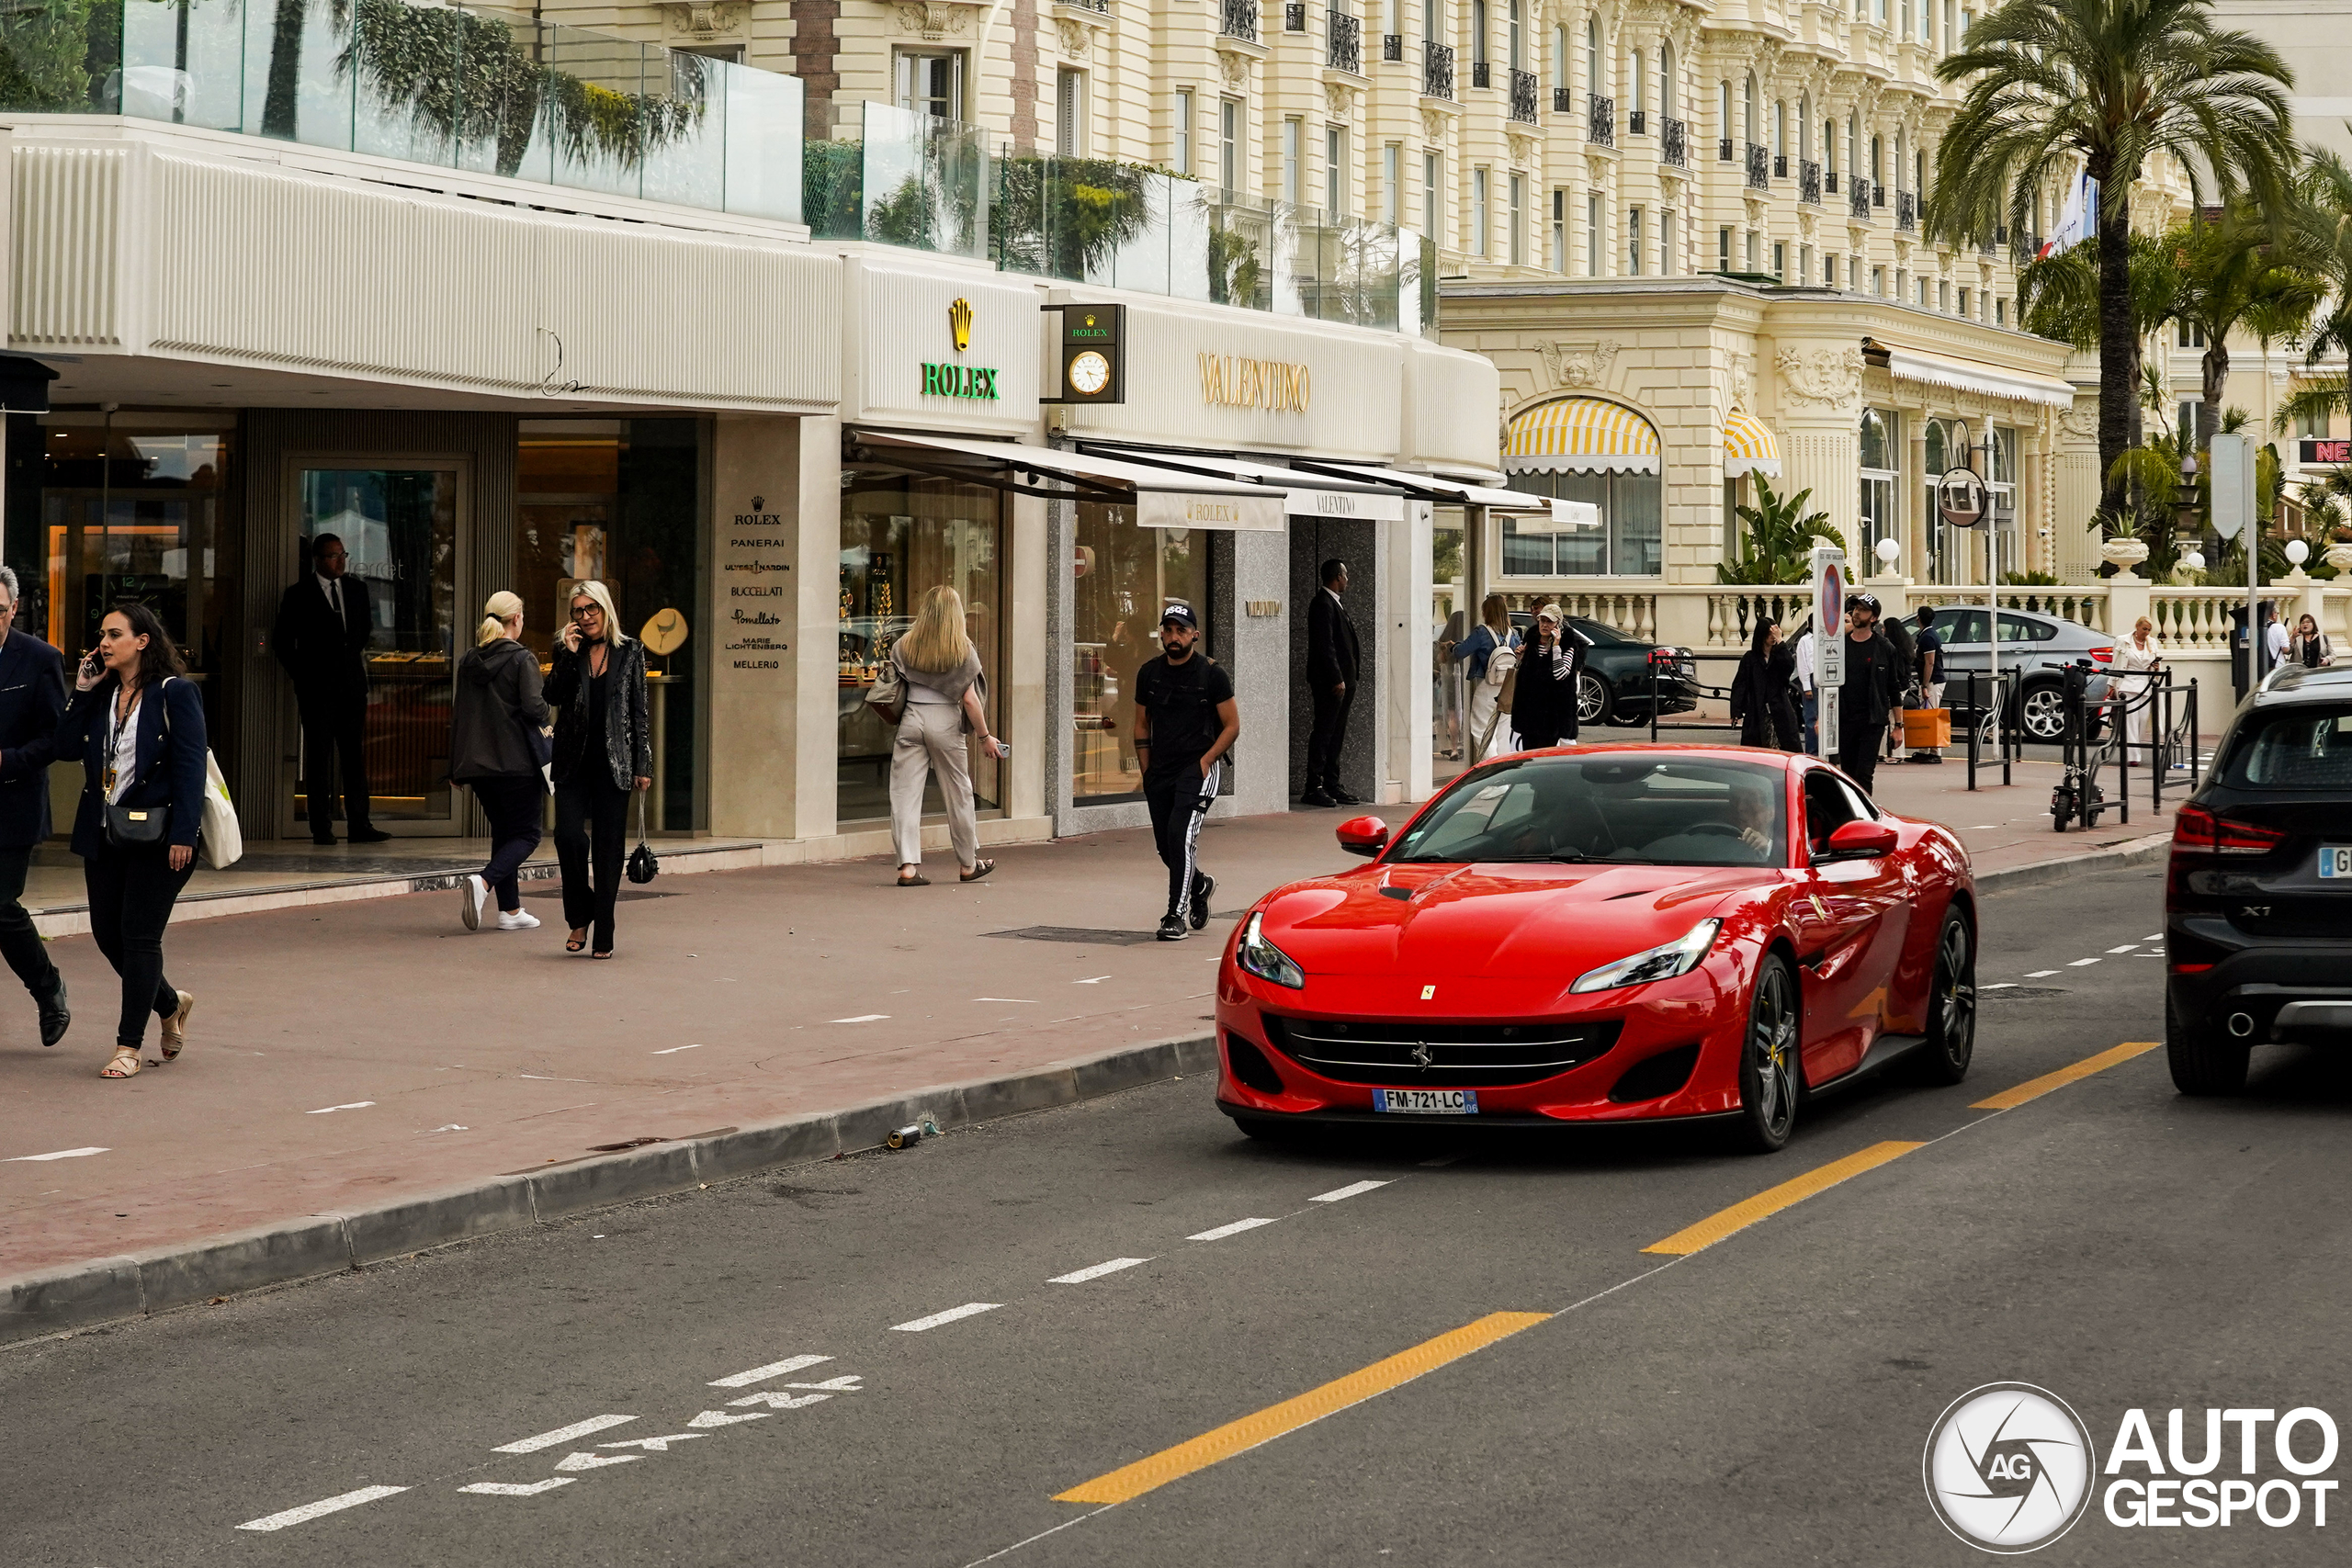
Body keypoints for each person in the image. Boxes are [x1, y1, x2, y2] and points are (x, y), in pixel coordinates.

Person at [56, 604, 204, 1079]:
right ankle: (169, 1001)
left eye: (114, 634)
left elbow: (189, 766)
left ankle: (128, 1046)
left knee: (139, 936)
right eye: (101, 634)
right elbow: (63, 747)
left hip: (159, 835)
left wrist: (184, 833)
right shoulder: (101, 695)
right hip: (104, 831)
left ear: (142, 641)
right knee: (106, 933)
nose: (104, 642)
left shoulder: (175, 694)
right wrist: (81, 690)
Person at [545, 581, 650, 959]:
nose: (585, 617)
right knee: (568, 838)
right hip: (573, 761)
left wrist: (643, 764)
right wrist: (567, 656)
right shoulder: (568, 650)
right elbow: (552, 696)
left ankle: (603, 927)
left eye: (592, 609)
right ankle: (580, 913)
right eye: (578, 611)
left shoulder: (631, 650)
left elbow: (638, 711)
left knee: (608, 849)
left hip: (615, 763)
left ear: (605, 610)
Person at [271, 533, 389, 845]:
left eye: (342, 555)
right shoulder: (299, 594)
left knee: (353, 756)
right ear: (318, 560)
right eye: (333, 556)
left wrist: (348, 662)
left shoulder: (356, 590)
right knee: (319, 758)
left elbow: (362, 632)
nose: (340, 561)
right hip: (316, 689)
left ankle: (359, 824)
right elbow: (282, 642)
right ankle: (321, 826)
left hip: (352, 687)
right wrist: (303, 675)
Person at [1133, 604, 1238, 942]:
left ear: (1194, 634)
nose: (1174, 637)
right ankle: (1200, 885)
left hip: (1198, 769)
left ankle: (1174, 916)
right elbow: (1140, 723)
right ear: (1161, 634)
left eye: (1181, 631)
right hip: (1160, 771)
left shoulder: (1211, 674)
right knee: (1166, 846)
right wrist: (1146, 771)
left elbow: (1232, 726)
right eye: (1168, 630)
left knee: (1181, 837)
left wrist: (1205, 763)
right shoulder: (1149, 673)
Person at [889, 585, 1007, 888]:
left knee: (904, 795)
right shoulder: (962, 649)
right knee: (959, 795)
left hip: (912, 718)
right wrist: (985, 737)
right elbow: (969, 700)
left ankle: (907, 867)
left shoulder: (905, 644)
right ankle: (968, 864)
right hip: (945, 721)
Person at [449, 590, 551, 932]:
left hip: (477, 766)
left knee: (506, 834)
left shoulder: (468, 660)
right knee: (527, 834)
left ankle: (510, 911)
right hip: (516, 763)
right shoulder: (522, 659)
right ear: (517, 619)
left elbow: (460, 714)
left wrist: (455, 766)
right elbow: (535, 709)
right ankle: (485, 882)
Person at [0, 567, 71, 1047]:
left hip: (12, 802)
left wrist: (8, 760)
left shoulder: (40, 659)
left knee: (0, 904)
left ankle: (48, 989)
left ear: (14, 609)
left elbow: (57, 737)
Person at [1302, 558, 1361, 807]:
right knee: (1324, 732)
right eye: (1345, 575)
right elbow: (1324, 645)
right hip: (1331, 683)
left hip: (1344, 681)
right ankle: (1313, 785)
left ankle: (1332, 783)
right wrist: (1336, 677)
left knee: (1336, 733)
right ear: (1338, 576)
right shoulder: (1322, 604)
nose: (1347, 580)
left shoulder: (1334, 604)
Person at [1836, 594, 1906, 795]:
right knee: (1847, 774)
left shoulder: (1885, 648)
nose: (1857, 613)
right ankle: (1850, 817)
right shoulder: (1840, 645)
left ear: (1873, 618)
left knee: (1864, 773)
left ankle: (1865, 819)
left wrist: (1898, 726)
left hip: (1872, 721)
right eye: (1856, 609)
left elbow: (1894, 689)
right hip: (1845, 719)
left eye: (1863, 610)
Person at [1509, 604, 1583, 750]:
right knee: (1528, 753)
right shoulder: (1531, 642)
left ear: (1558, 624)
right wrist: (1519, 658)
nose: (1544, 625)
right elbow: (1524, 676)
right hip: (1529, 710)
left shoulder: (1567, 645)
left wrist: (1556, 647)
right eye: (1542, 621)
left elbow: (1560, 674)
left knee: (1544, 754)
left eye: (1549, 622)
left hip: (1552, 713)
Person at [1729, 616, 1800, 751]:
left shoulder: (1779, 654)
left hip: (1780, 707)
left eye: (1773, 634)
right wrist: (1736, 710)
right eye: (1769, 635)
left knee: (1785, 746)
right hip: (1757, 708)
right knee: (1756, 748)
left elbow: (1789, 666)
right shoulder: (1750, 658)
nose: (1772, 638)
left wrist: (1780, 642)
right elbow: (1740, 684)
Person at [2110, 615, 2165, 767]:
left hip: (2144, 685)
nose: (2146, 632)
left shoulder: (2152, 643)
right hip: (2127, 684)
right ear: (2137, 627)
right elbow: (2115, 662)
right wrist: (2111, 683)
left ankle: (2135, 749)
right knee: (2130, 720)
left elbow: (2156, 664)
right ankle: (2133, 756)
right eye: (2144, 629)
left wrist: (2156, 668)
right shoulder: (2123, 640)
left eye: (2149, 630)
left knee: (2142, 719)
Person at [1468, 633, 1521, 761]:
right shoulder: (1513, 635)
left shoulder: (1481, 632)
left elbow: (1461, 651)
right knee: (1503, 735)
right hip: (1507, 686)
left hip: (1488, 686)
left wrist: (1454, 646)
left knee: (1483, 733)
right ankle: (1503, 771)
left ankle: (1491, 768)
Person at [1907, 605, 1946, 763]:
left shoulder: (1928, 637)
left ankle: (1935, 751)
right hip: (1932, 680)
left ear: (1918, 619)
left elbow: (1929, 663)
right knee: (1926, 714)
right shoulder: (1928, 635)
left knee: (1931, 714)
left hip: (1933, 680)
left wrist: (1924, 685)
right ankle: (1924, 748)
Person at [1792, 617, 1819, 754]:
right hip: (1812, 679)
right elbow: (1803, 665)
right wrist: (1807, 687)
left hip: (1826, 678)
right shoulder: (1805, 641)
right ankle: (1812, 752)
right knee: (1811, 718)